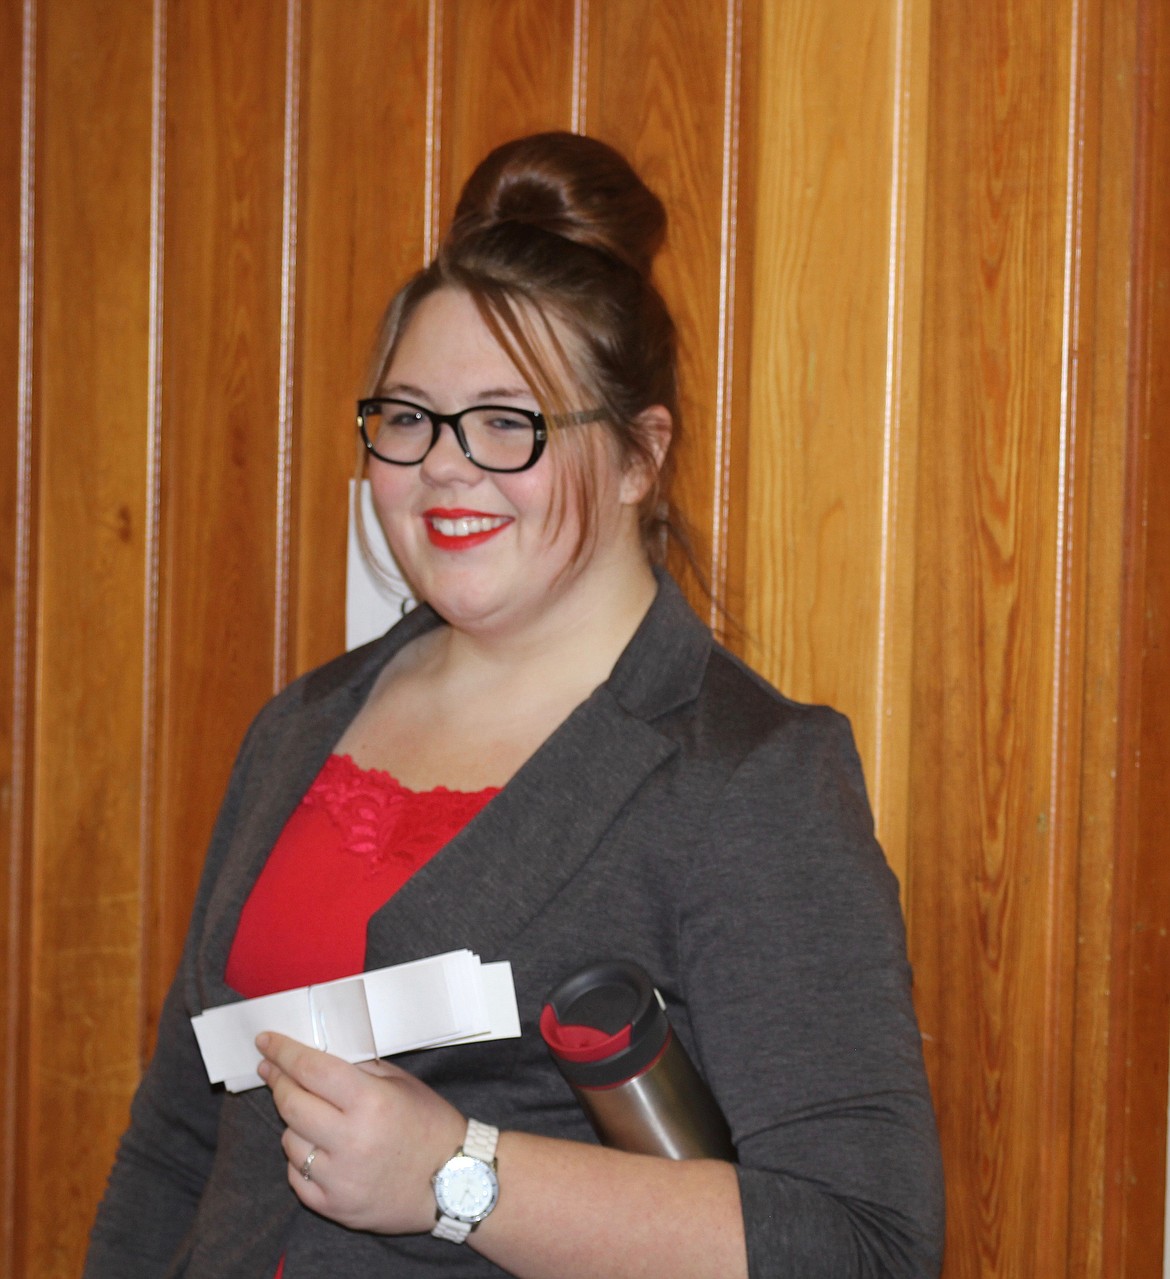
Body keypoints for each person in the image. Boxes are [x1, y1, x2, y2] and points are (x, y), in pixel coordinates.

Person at [84, 131, 944, 1278]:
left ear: (641, 455)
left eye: (509, 420)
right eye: (407, 417)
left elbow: (865, 1243)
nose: (446, 467)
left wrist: (457, 1175)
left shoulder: (746, 776)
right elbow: (179, 1141)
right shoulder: (300, 727)